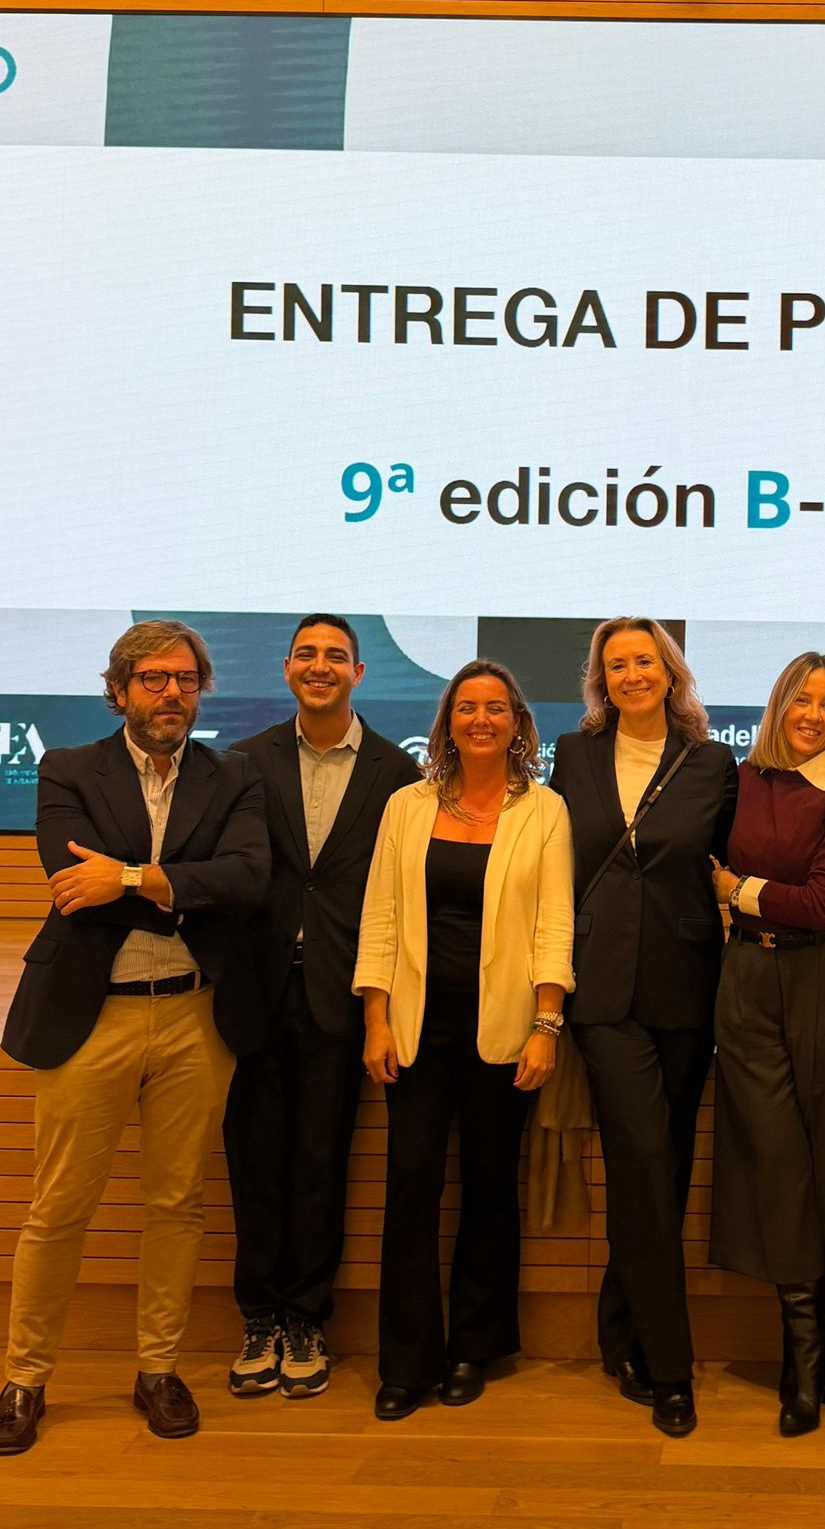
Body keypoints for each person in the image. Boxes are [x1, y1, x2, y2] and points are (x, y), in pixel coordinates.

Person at [0, 622, 269, 1456]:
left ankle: (158, 1370)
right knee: (58, 1207)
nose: (172, 693)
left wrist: (128, 876)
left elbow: (248, 879)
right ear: (119, 690)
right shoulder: (67, 768)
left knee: (177, 1204)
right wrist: (179, 892)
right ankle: (23, 1378)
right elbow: (67, 881)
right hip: (92, 1016)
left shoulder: (234, 776)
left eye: (186, 679)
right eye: (154, 678)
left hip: (195, 1016)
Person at [353, 659, 574, 1421]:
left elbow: (554, 923)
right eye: (467, 707)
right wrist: (375, 1018)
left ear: (517, 723)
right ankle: (406, 1362)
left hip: (505, 1030)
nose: (481, 719)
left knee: (488, 1188)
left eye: (496, 708)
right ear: (448, 721)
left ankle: (474, 1348)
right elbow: (380, 916)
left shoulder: (544, 811)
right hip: (414, 1028)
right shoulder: (406, 806)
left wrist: (546, 1025)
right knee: (410, 1186)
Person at [223, 614, 420, 1400]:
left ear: (359, 674)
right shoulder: (243, 761)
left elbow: (398, 895)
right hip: (254, 991)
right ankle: (258, 1319)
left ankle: (305, 1319)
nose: (320, 666)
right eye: (306, 654)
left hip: (342, 993)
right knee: (253, 1164)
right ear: (286, 668)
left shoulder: (396, 772)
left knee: (320, 1162)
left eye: (335, 655)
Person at [549, 617, 736, 1438]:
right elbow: (555, 862)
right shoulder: (574, 754)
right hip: (601, 990)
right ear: (602, 679)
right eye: (617, 664)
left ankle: (621, 1330)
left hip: (687, 986)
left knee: (666, 1170)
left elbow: (736, 861)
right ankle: (670, 1368)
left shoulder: (712, 762)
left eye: (646, 661)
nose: (632, 674)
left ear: (670, 672)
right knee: (642, 1157)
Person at [709, 651, 825, 1436]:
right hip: (746, 982)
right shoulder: (741, 780)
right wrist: (747, 901)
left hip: (822, 985)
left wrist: (740, 891)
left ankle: (810, 1354)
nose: (812, 715)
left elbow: (824, 904)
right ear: (778, 704)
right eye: (800, 700)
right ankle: (807, 1352)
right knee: (777, 1157)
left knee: (824, 1163)